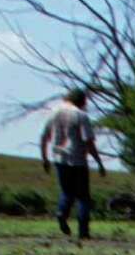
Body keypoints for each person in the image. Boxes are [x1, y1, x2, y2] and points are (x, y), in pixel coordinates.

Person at [40, 87, 106, 239]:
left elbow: (44, 137)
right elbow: (88, 141)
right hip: (77, 160)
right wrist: (99, 162)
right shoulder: (81, 116)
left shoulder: (54, 113)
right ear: (82, 101)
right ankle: (83, 231)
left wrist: (44, 158)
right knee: (83, 197)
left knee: (66, 191)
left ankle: (61, 212)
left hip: (59, 159)